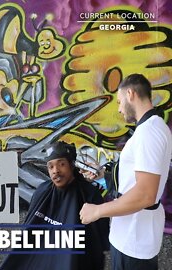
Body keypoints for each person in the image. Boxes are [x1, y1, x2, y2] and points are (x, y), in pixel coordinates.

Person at [80, 74, 172, 270]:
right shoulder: (153, 128)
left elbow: (145, 194)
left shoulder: (149, 133)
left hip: (133, 240)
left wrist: (97, 211)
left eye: (120, 101)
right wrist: (104, 177)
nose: (120, 109)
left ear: (130, 94)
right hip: (133, 235)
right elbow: (136, 181)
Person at [0, 141, 109, 270]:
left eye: (61, 164)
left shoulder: (90, 195)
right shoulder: (42, 191)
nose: (55, 171)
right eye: (51, 167)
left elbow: (99, 242)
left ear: (71, 165)